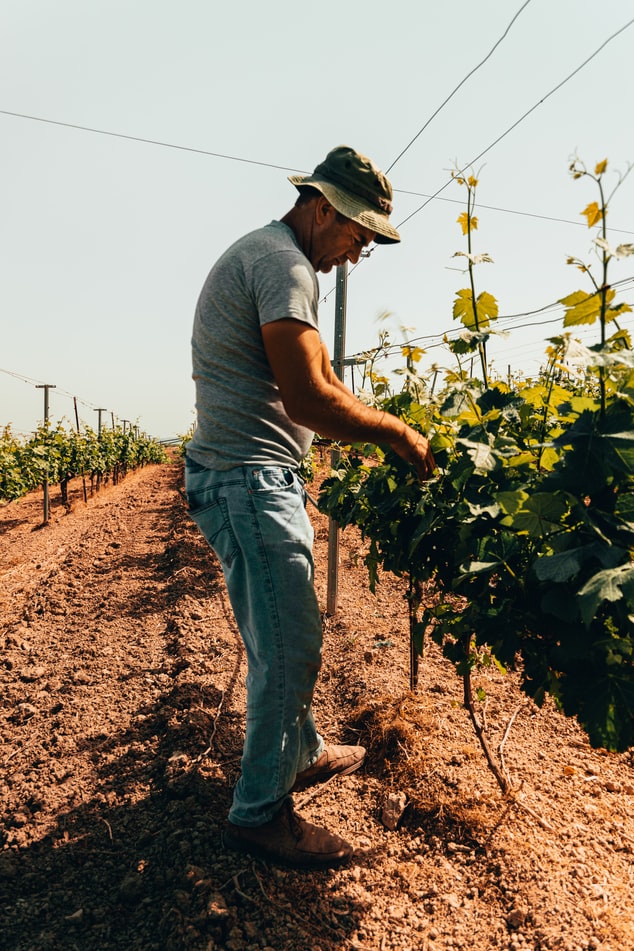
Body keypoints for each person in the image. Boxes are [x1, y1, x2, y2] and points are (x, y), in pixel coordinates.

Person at [185, 145, 435, 870]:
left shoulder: (281, 259)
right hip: (247, 480)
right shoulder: (283, 263)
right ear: (323, 208)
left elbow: (319, 372)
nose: (357, 253)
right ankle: (260, 811)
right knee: (290, 645)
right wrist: (392, 431)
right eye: (358, 234)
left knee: (284, 635)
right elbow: (305, 397)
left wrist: (363, 418)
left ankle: (305, 749)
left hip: (251, 475)